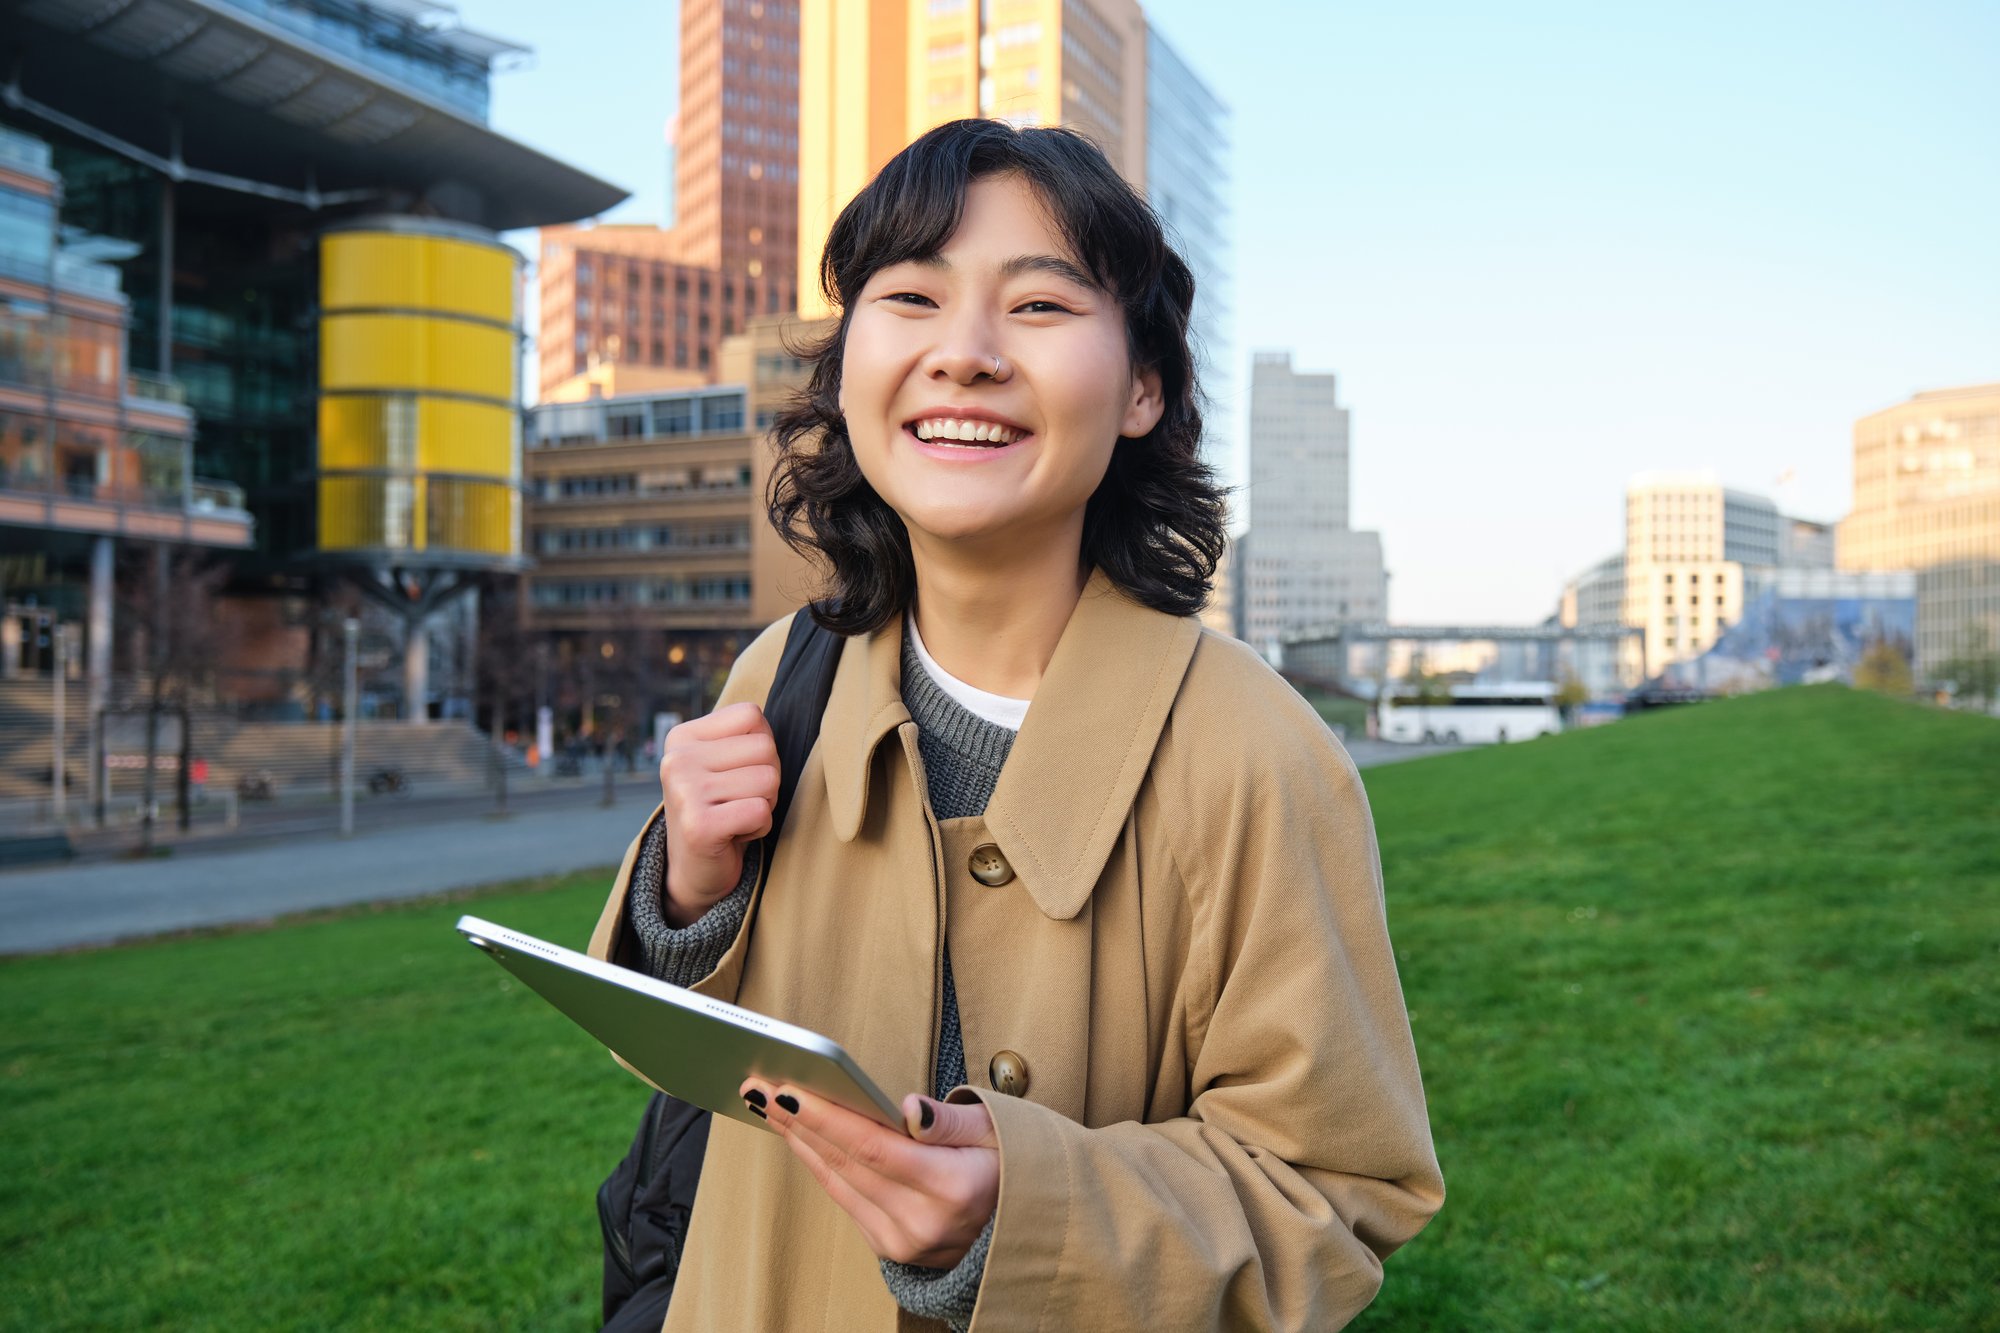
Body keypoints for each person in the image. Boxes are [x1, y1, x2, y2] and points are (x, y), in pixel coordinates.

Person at [588, 118, 1443, 1331]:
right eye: (910, 298)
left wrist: (1023, 1216)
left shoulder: (1256, 752)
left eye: (1038, 306)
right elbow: (685, 1068)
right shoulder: (780, 675)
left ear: (1142, 387)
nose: (964, 354)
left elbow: (1335, 1195)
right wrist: (687, 893)